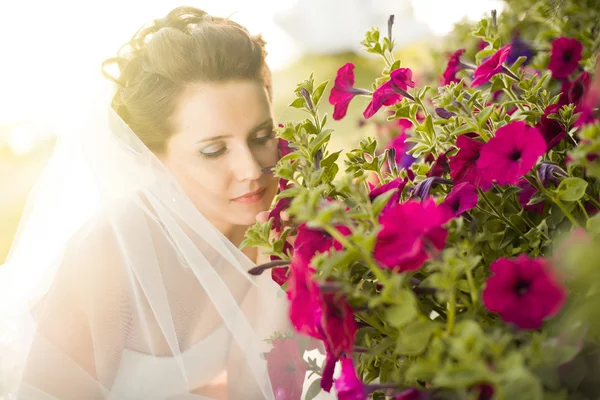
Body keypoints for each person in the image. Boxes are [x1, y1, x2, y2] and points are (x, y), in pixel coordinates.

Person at [0, 6, 308, 399]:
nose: (251, 169)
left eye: (261, 135)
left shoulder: (276, 225)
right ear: (153, 159)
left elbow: (253, 389)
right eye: (214, 150)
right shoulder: (110, 256)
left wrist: (278, 275)